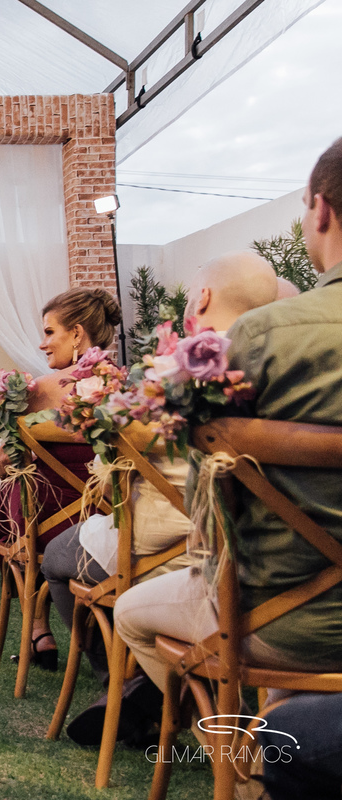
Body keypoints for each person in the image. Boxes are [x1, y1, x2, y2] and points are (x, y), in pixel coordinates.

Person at [116, 136, 342, 701]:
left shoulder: (267, 337)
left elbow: (211, 499)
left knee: (131, 612)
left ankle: (240, 771)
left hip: (289, 619)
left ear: (321, 210)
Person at [44, 253, 276, 747]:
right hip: (259, 552)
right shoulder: (276, 374)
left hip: (166, 546)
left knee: (55, 559)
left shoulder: (171, 375)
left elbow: (117, 478)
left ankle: (123, 686)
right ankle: (138, 690)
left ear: (204, 299)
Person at [0, 287, 121, 662]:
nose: (42, 343)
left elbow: (4, 464)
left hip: (47, 526)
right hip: (111, 519)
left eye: (50, 332)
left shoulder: (42, 390)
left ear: (77, 333)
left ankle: (37, 630)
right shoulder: (127, 389)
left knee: (14, 489)